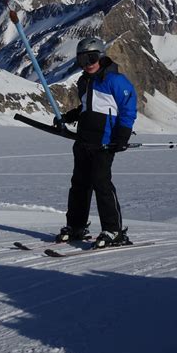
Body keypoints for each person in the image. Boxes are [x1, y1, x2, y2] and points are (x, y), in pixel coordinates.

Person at [54, 37, 137, 248]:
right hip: (83, 140)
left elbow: (128, 109)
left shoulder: (115, 81)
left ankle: (113, 230)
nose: (88, 63)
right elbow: (86, 107)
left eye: (91, 57)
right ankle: (76, 226)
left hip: (105, 142)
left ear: (101, 56)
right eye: (82, 60)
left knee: (102, 184)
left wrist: (122, 137)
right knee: (79, 185)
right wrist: (69, 116)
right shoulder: (84, 81)